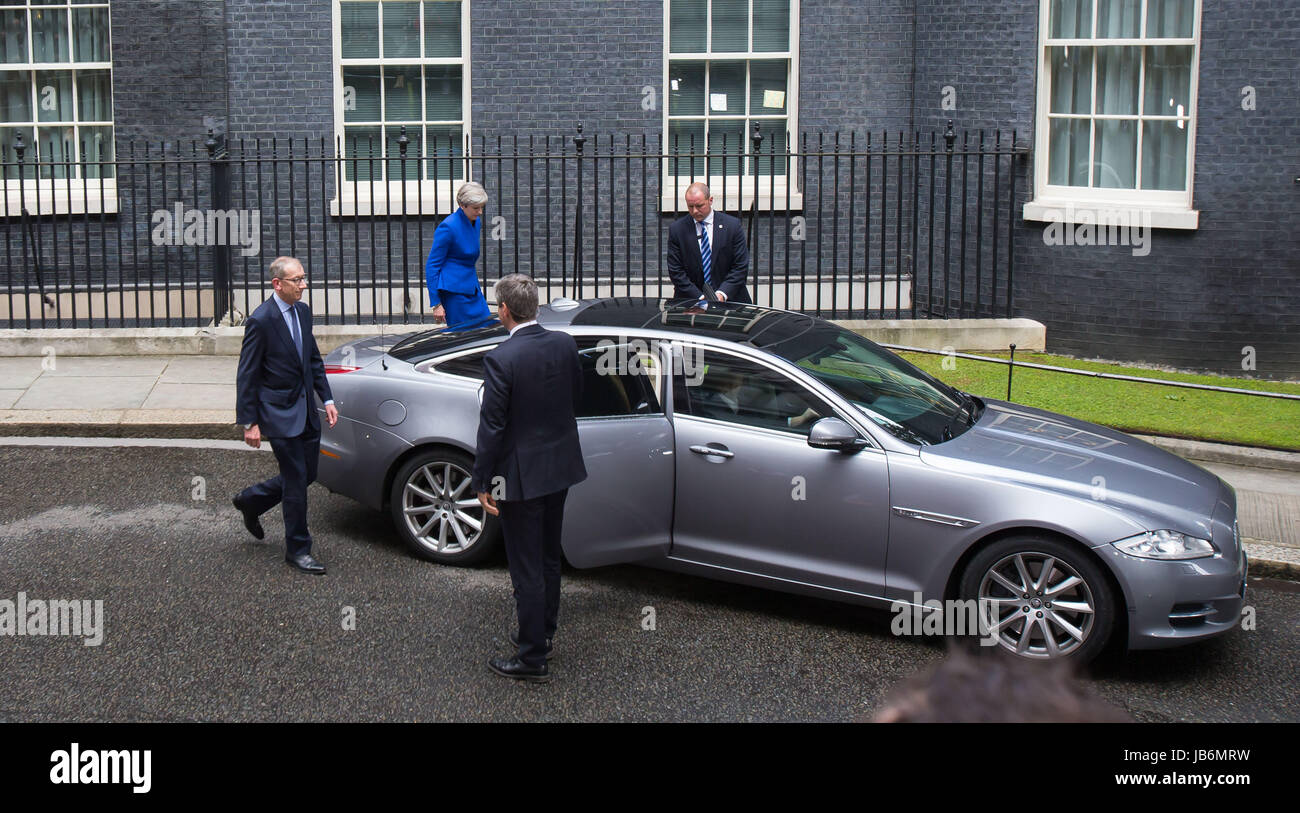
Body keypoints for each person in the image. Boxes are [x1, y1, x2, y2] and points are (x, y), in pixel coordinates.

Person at [471, 274, 587, 682]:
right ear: (535, 306)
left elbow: (492, 427)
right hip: (560, 465)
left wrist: (481, 479)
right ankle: (544, 635)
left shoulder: (502, 358)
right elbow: (576, 394)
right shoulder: (563, 343)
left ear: (504, 310)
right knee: (548, 556)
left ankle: (532, 656)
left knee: (526, 566)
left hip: (520, 475)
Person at [232, 256, 338, 575]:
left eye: (305, 278)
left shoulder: (303, 312)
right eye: (297, 280)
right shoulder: (261, 320)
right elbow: (247, 373)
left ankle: (252, 500)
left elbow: (313, 360)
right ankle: (298, 548)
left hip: (306, 409)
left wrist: (328, 398)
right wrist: (249, 422)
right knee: (295, 480)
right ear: (277, 284)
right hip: (278, 413)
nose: (303, 286)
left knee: (308, 475)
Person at [666, 182, 752, 304]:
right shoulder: (677, 229)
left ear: (710, 200)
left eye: (699, 205)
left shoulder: (732, 226)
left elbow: (740, 266)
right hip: (691, 302)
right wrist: (700, 297)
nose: (695, 211)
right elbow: (676, 270)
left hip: (731, 301)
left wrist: (722, 294)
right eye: (690, 206)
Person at [425, 181, 491, 329]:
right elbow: (432, 265)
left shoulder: (475, 221)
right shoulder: (448, 227)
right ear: (462, 205)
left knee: (487, 328)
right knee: (462, 337)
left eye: (481, 207)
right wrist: (436, 304)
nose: (480, 212)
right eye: (476, 208)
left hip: (472, 288)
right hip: (453, 292)